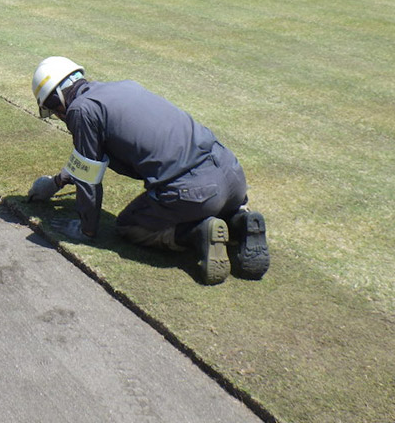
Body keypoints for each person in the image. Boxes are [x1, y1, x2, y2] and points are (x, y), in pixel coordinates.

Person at [27, 56, 269, 285]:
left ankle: (196, 233)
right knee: (213, 201)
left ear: (56, 97)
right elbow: (88, 157)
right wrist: (56, 182)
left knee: (129, 226)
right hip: (232, 175)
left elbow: (89, 177)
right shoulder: (121, 87)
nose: (57, 115)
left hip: (194, 192)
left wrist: (85, 229)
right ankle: (240, 221)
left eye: (50, 107)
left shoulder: (80, 110)